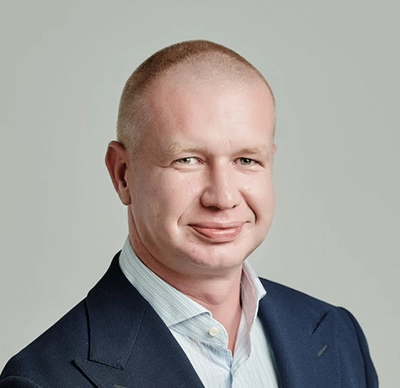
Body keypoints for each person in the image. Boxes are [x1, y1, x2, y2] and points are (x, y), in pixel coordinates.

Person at [0, 40, 378, 388]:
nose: (223, 197)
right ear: (122, 174)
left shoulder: (337, 337)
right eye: (188, 159)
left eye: (247, 160)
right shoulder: (42, 380)